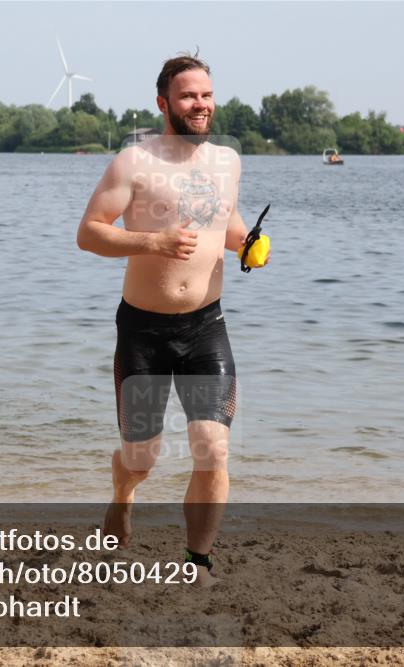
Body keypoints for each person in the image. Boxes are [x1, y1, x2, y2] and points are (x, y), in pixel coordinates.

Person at [76, 54, 267, 582]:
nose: (200, 104)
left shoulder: (228, 162)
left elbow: (224, 222)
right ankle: (123, 493)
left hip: (206, 326)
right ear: (163, 103)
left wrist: (249, 245)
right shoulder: (133, 164)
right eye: (188, 96)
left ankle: (198, 560)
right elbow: (89, 232)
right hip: (142, 330)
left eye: (206, 95)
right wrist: (152, 240)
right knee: (142, 457)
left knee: (213, 448)